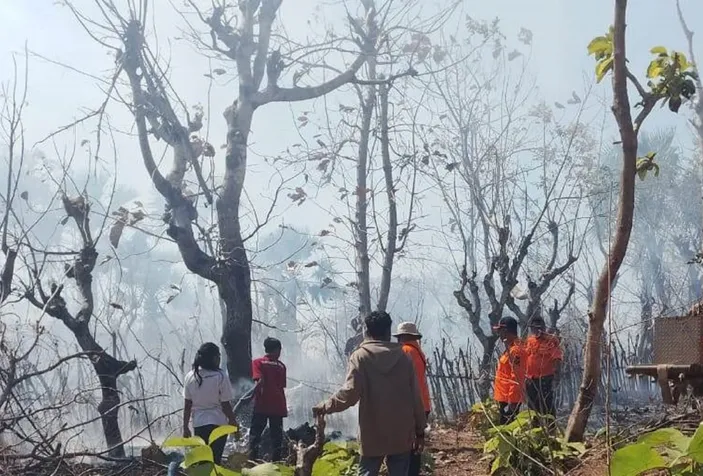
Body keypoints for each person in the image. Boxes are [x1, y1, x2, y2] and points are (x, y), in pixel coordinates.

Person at [313, 311, 426, 476]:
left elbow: (350, 394)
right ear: (388, 332)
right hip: (401, 432)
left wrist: (325, 406)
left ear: (367, 331)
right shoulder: (404, 357)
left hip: (372, 433)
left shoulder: (360, 357)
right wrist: (420, 431)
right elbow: (416, 397)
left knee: (367, 472)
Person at [182, 342, 236, 465]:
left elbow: (187, 405)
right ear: (213, 358)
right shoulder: (221, 376)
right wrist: (233, 421)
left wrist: (185, 427)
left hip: (199, 424)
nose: (219, 359)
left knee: (203, 461)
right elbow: (225, 404)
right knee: (215, 460)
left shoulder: (190, 376)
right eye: (218, 356)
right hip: (218, 424)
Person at [393, 322, 430, 476]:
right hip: (422, 403)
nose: (398, 340)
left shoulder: (405, 351)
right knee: (415, 447)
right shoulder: (417, 351)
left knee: (408, 448)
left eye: (399, 336)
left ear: (404, 336)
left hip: (412, 406)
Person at [249, 337, 287, 462]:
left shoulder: (257, 362)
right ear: (276, 350)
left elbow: (259, 381)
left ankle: (252, 460)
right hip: (278, 405)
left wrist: (251, 396)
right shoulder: (281, 366)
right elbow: (281, 386)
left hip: (262, 405)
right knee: (277, 437)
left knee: (255, 434)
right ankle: (277, 462)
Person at [525, 316, 563, 418]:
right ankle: (536, 429)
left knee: (547, 406)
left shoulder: (551, 340)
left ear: (544, 327)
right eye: (534, 327)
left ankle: (551, 429)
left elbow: (557, 358)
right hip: (531, 380)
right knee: (533, 407)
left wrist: (556, 377)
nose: (537, 330)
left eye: (539, 327)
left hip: (545, 379)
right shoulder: (530, 341)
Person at [492, 317, 525, 425]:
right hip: (504, 398)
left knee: (508, 429)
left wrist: (512, 402)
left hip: (510, 399)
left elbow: (517, 377)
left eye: (500, 331)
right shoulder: (509, 349)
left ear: (505, 331)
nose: (499, 335)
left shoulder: (516, 350)